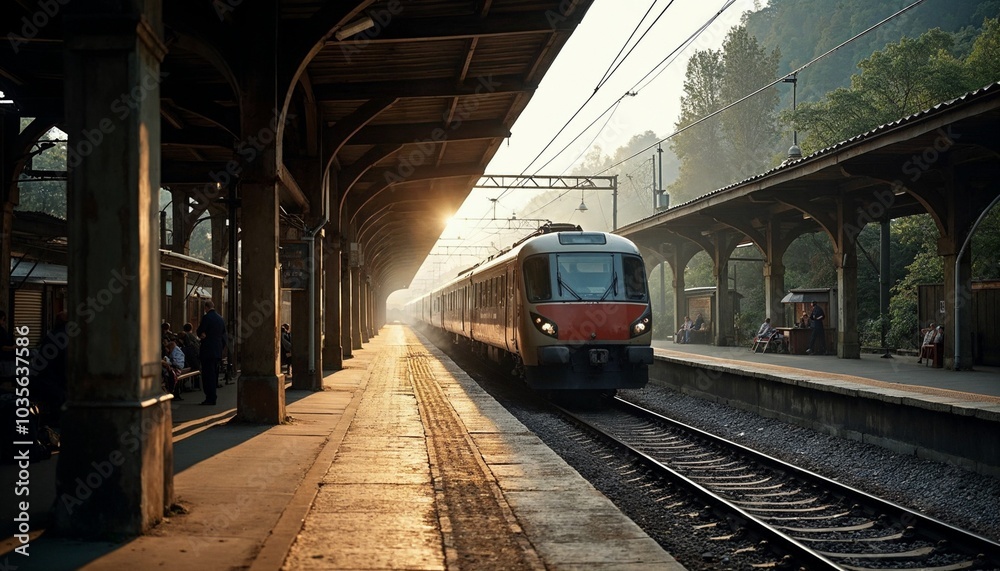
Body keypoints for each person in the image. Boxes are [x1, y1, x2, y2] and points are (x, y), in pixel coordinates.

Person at [196, 300, 227, 406]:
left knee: (207, 375)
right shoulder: (221, 319)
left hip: (207, 351)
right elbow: (224, 336)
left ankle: (209, 397)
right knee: (214, 374)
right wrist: (220, 348)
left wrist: (202, 335)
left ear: (206, 308)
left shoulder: (206, 317)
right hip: (217, 351)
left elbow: (200, 331)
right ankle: (213, 396)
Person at [0, 310, 15, 380]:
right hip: (5, 362)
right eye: (4, 319)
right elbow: (2, 347)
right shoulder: (0, 330)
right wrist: (13, 347)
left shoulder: (2, 330)